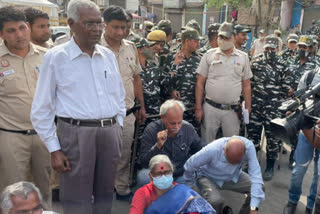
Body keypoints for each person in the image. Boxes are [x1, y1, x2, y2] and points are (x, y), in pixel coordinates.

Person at [30, 0, 126, 213]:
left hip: (109, 133)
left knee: (104, 196)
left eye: (99, 23)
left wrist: (117, 127)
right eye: (89, 23)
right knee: (76, 199)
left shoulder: (107, 56)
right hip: (75, 134)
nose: (96, 29)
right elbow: (42, 108)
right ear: (72, 24)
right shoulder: (56, 57)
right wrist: (54, 149)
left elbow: (119, 96)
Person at [0, 6, 51, 209]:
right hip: (11, 136)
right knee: (13, 192)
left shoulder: (48, 56)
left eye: (22, 28)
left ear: (28, 27)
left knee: (44, 188)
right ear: (1, 33)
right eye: (11, 30)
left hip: (44, 134)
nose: (19, 35)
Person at [100, 5, 146, 201]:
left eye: (124, 28)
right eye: (116, 27)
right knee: (101, 155)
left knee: (124, 152)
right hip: (101, 115)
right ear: (105, 25)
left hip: (127, 112)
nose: (120, 32)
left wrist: (141, 105)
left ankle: (122, 188)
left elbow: (136, 78)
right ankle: (101, 190)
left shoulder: (130, 47)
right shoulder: (94, 48)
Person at [195, 22, 252, 142]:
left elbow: (246, 85)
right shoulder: (208, 55)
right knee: (206, 145)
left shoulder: (243, 57)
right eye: (221, 37)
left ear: (234, 37)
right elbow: (200, 83)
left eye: (227, 37)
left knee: (231, 146)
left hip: (231, 111)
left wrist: (247, 107)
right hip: (210, 108)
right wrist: (199, 107)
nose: (223, 40)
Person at [183, 136, 265, 214]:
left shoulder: (249, 148)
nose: (232, 164)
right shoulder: (212, 149)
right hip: (208, 177)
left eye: (236, 162)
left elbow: (256, 176)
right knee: (215, 201)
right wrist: (191, 187)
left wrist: (254, 208)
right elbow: (189, 165)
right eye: (230, 160)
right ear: (223, 150)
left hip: (232, 176)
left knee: (259, 188)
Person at [247, 35, 288, 181]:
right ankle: (251, 164)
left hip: (274, 109)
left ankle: (270, 166)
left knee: (273, 139)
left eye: (272, 48)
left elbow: (285, 89)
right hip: (257, 107)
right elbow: (249, 84)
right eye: (267, 48)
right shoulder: (256, 61)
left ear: (277, 49)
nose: (269, 51)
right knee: (253, 137)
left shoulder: (283, 64)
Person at [137, 99, 203, 188]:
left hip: (181, 174)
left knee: (190, 192)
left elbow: (200, 148)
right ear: (163, 117)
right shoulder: (151, 130)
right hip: (160, 174)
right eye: (172, 123)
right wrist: (158, 146)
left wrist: (212, 146)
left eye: (179, 122)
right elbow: (144, 162)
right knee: (143, 177)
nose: (177, 127)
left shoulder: (188, 128)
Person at [283, 67, 320, 214]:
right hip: (307, 129)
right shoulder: (311, 75)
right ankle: (292, 201)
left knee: (318, 175)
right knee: (298, 171)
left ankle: (312, 205)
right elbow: (299, 99)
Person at [130, 155, 215, 214]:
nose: (163, 176)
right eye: (159, 173)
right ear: (151, 176)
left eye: (167, 172)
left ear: (172, 172)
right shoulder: (143, 193)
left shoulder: (183, 192)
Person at [163, 28, 201, 132]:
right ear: (187, 41)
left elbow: (202, 84)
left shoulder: (199, 59)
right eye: (195, 41)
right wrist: (171, 91)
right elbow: (164, 81)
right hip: (175, 108)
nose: (198, 44)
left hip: (192, 108)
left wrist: (198, 105)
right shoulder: (171, 57)